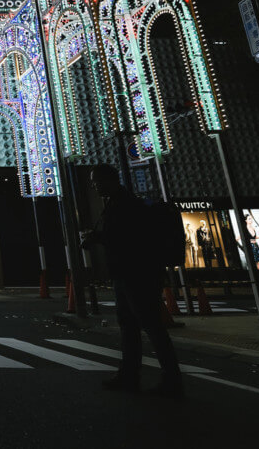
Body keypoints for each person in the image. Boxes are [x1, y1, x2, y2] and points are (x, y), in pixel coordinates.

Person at [82, 164, 183, 398]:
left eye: (97, 181)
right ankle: (130, 374)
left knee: (151, 326)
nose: (95, 186)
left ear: (110, 180)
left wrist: (97, 237)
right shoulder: (117, 202)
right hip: (127, 273)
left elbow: (126, 238)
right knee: (129, 326)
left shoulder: (125, 204)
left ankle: (171, 381)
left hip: (137, 274)